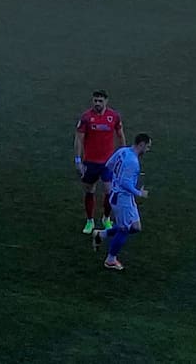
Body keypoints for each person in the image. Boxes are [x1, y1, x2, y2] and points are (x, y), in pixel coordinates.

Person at [92, 134, 153, 270]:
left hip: (122, 196)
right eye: (147, 147)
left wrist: (117, 179)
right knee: (124, 229)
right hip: (122, 198)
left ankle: (101, 234)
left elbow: (109, 165)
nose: (147, 150)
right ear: (141, 144)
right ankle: (110, 260)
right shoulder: (133, 162)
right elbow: (125, 183)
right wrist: (139, 193)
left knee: (136, 227)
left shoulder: (123, 151)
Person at [74, 90, 125, 234]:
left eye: (100, 101)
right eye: (95, 100)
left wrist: (123, 156)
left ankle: (106, 218)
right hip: (90, 162)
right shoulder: (86, 118)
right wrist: (78, 160)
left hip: (108, 163)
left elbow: (120, 136)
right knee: (90, 190)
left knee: (109, 191)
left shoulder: (114, 117)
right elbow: (79, 139)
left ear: (106, 102)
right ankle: (90, 220)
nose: (97, 103)